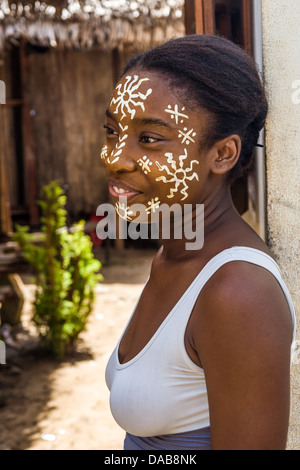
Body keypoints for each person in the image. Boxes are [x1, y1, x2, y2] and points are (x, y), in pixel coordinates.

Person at [102, 35, 296, 450]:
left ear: (223, 154)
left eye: (150, 138)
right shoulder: (172, 254)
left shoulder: (237, 291)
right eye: (111, 130)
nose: (115, 156)